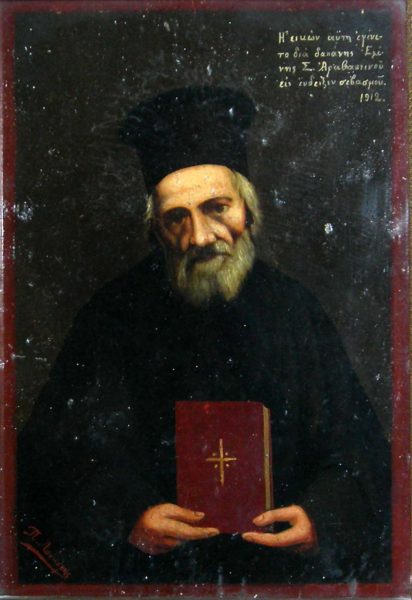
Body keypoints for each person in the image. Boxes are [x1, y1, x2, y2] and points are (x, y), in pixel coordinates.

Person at [17, 86, 391, 585]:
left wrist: (321, 517)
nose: (199, 236)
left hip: (279, 575)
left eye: (217, 208)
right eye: (177, 218)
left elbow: (360, 451)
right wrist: (129, 515)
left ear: (248, 211)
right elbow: (55, 455)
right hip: (151, 574)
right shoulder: (112, 314)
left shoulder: (295, 310)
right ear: (156, 230)